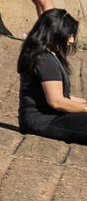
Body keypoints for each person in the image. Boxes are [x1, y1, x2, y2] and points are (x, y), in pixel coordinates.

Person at [17, 8, 87, 144]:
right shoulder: (44, 60)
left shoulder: (47, 56)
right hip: (42, 120)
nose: (71, 40)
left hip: (50, 117)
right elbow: (56, 101)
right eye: (69, 34)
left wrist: (84, 103)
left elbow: (62, 96)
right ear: (55, 33)